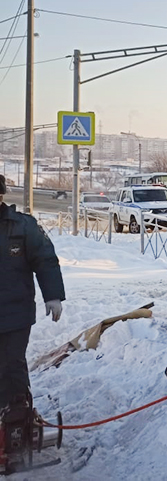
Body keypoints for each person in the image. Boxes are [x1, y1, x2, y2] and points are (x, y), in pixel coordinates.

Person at [0, 174, 65, 410]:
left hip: (15, 312)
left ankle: (17, 415)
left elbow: (45, 260)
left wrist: (53, 295)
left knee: (11, 364)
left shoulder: (23, 226)